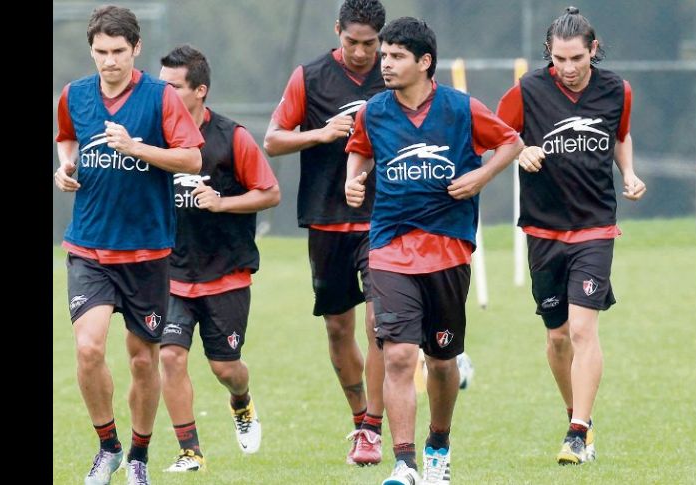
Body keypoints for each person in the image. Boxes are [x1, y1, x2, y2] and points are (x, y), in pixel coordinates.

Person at [345, 17, 523, 485]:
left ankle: (438, 446)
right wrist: (352, 178)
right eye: (384, 56)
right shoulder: (374, 111)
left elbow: (511, 141)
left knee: (442, 362)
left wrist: (480, 176)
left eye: (397, 56)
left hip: (447, 251)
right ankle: (404, 464)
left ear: (424, 62)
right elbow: (359, 148)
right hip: (388, 248)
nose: (385, 64)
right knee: (400, 354)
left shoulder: (461, 108)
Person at [53, 5, 203, 485]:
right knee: (89, 349)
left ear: (136, 49)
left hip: (147, 251)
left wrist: (138, 147)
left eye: (118, 51)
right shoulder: (74, 94)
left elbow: (192, 158)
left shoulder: (161, 97)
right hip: (89, 247)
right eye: (100, 52)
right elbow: (67, 138)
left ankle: (139, 455)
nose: (109, 61)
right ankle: (109, 447)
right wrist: (65, 167)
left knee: (143, 360)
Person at [496, 6, 647, 466]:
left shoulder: (617, 90)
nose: (568, 68)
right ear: (549, 54)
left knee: (583, 329)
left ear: (592, 50)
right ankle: (576, 416)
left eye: (577, 58)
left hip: (595, 226)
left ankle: (577, 433)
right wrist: (521, 150)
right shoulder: (527, 91)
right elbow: (496, 135)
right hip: (542, 229)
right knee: (558, 337)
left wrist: (630, 173)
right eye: (559, 59)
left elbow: (620, 135)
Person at [263, 0, 388, 466]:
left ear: (382, 38)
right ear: (338, 31)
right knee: (339, 328)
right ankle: (360, 420)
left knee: (381, 324)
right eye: (351, 41)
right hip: (326, 219)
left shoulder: (395, 72)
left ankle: (374, 428)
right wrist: (319, 134)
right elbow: (273, 140)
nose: (360, 52)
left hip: (383, 218)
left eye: (369, 44)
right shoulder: (310, 76)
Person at [157, 45, 281, 472]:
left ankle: (242, 403)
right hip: (170, 271)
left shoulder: (232, 137)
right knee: (169, 355)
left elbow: (270, 193)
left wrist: (220, 202)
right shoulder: (154, 138)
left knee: (225, 368)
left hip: (225, 272)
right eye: (161, 85)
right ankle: (190, 451)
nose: (163, 94)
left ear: (200, 90)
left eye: (173, 87)